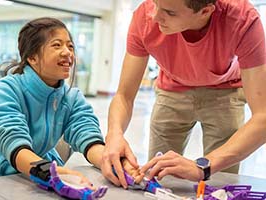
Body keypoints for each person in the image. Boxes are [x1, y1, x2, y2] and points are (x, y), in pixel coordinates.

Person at [102, 0, 266, 188]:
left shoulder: (243, 20)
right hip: (171, 89)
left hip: (225, 91)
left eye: (170, 13)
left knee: (219, 182)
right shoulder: (144, 16)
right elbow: (124, 95)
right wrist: (114, 134)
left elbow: (263, 116)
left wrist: (202, 167)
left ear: (205, 11)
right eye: (156, 5)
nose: (155, 17)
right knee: (157, 175)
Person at [0, 17, 106, 186]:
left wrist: (111, 162)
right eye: (57, 45)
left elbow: (88, 135)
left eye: (70, 46)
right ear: (32, 57)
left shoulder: (71, 98)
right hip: (2, 178)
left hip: (44, 174)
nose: (68, 52)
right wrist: (49, 172)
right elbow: (13, 142)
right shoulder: (6, 90)